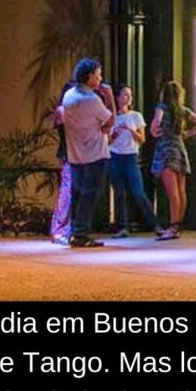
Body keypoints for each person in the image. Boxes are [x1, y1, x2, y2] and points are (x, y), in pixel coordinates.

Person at [61, 58, 115, 248]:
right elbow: (110, 121)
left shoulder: (69, 95)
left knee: (78, 193)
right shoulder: (92, 100)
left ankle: (74, 231)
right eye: (98, 75)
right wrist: (109, 97)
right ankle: (81, 233)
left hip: (75, 153)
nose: (100, 79)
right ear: (90, 76)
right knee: (90, 194)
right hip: (95, 153)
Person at [149, 80, 196, 241]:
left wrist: (154, 129)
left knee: (172, 193)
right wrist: (188, 133)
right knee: (181, 191)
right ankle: (178, 225)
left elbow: (156, 122)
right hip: (180, 149)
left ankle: (173, 226)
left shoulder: (161, 107)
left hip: (166, 149)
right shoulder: (183, 110)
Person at [107, 84, 162, 238]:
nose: (128, 98)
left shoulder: (136, 116)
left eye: (129, 95)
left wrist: (131, 130)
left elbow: (142, 139)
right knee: (119, 193)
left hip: (131, 156)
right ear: (117, 97)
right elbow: (107, 142)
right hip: (114, 157)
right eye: (125, 94)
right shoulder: (111, 117)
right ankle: (122, 227)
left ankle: (155, 225)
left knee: (138, 192)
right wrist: (116, 133)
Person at [49, 78, 75, 245]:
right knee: (67, 192)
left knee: (74, 192)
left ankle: (68, 229)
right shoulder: (62, 110)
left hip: (78, 155)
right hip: (68, 155)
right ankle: (58, 229)